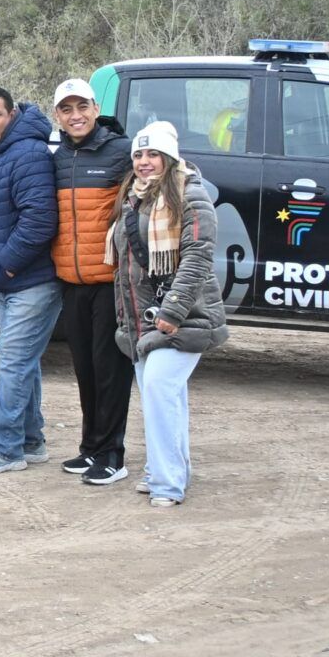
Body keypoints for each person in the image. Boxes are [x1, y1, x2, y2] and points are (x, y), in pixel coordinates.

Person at [109, 122, 227, 506]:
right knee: (164, 397)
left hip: (184, 316)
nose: (144, 162)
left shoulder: (191, 196)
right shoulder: (134, 198)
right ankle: (170, 469)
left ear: (169, 157)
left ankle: (166, 482)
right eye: (139, 155)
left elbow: (197, 257)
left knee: (160, 388)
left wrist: (174, 310)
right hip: (143, 318)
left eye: (152, 154)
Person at [0, 86, 59, 474]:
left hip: (32, 281)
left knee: (14, 363)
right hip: (6, 280)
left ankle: (5, 449)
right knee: (26, 363)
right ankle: (31, 440)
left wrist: (5, 265)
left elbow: (39, 221)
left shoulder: (30, 154)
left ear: (12, 116)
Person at [49, 77, 137, 485]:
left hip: (110, 280)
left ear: (95, 107)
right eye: (66, 109)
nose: (75, 116)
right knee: (84, 368)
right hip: (71, 279)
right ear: (58, 117)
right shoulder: (58, 157)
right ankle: (90, 449)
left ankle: (112, 455)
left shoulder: (122, 151)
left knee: (110, 370)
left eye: (81, 106)